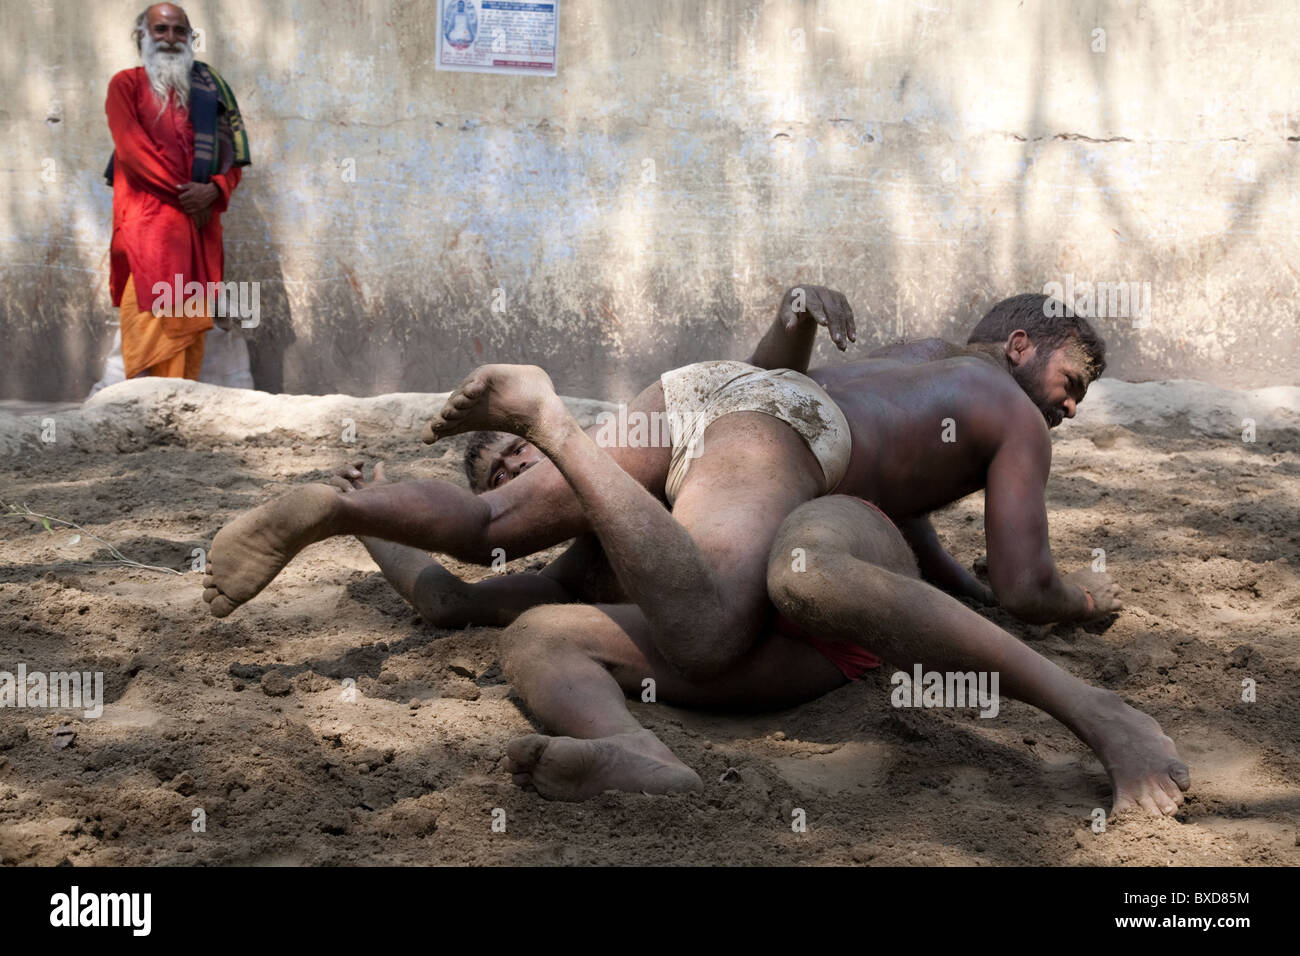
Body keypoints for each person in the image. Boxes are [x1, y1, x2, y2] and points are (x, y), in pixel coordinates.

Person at [100, 3, 251, 387]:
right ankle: (141, 409)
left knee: (189, 327)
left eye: (179, 31)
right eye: (160, 30)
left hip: (199, 232)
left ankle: (178, 413)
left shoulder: (210, 90)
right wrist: (190, 197)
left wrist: (213, 190)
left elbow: (233, 160)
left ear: (190, 38)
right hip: (146, 228)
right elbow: (133, 154)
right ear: (142, 37)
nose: (170, 39)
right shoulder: (125, 85)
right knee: (147, 315)